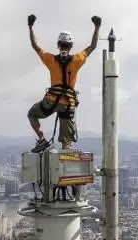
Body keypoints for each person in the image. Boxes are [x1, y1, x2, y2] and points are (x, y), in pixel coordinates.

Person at [26, 14, 102, 151]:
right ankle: (65, 167)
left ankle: (42, 140)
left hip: (50, 101)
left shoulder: (51, 60)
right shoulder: (77, 60)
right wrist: (97, 27)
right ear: (71, 46)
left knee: (32, 114)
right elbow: (93, 46)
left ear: (58, 45)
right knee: (66, 143)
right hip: (67, 104)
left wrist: (30, 26)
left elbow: (35, 46)